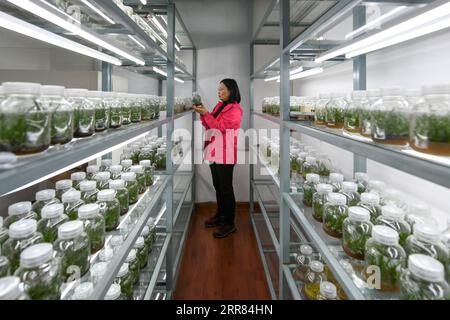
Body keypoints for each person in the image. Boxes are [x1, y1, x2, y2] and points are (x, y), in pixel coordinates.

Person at [192, 79, 243, 238]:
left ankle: (230, 223)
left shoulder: (235, 109)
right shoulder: (220, 105)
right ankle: (221, 216)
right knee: (218, 186)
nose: (219, 92)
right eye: (218, 89)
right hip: (214, 151)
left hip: (225, 153)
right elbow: (209, 124)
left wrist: (205, 114)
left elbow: (220, 128)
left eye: (222, 89)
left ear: (231, 91)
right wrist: (203, 114)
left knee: (226, 189)